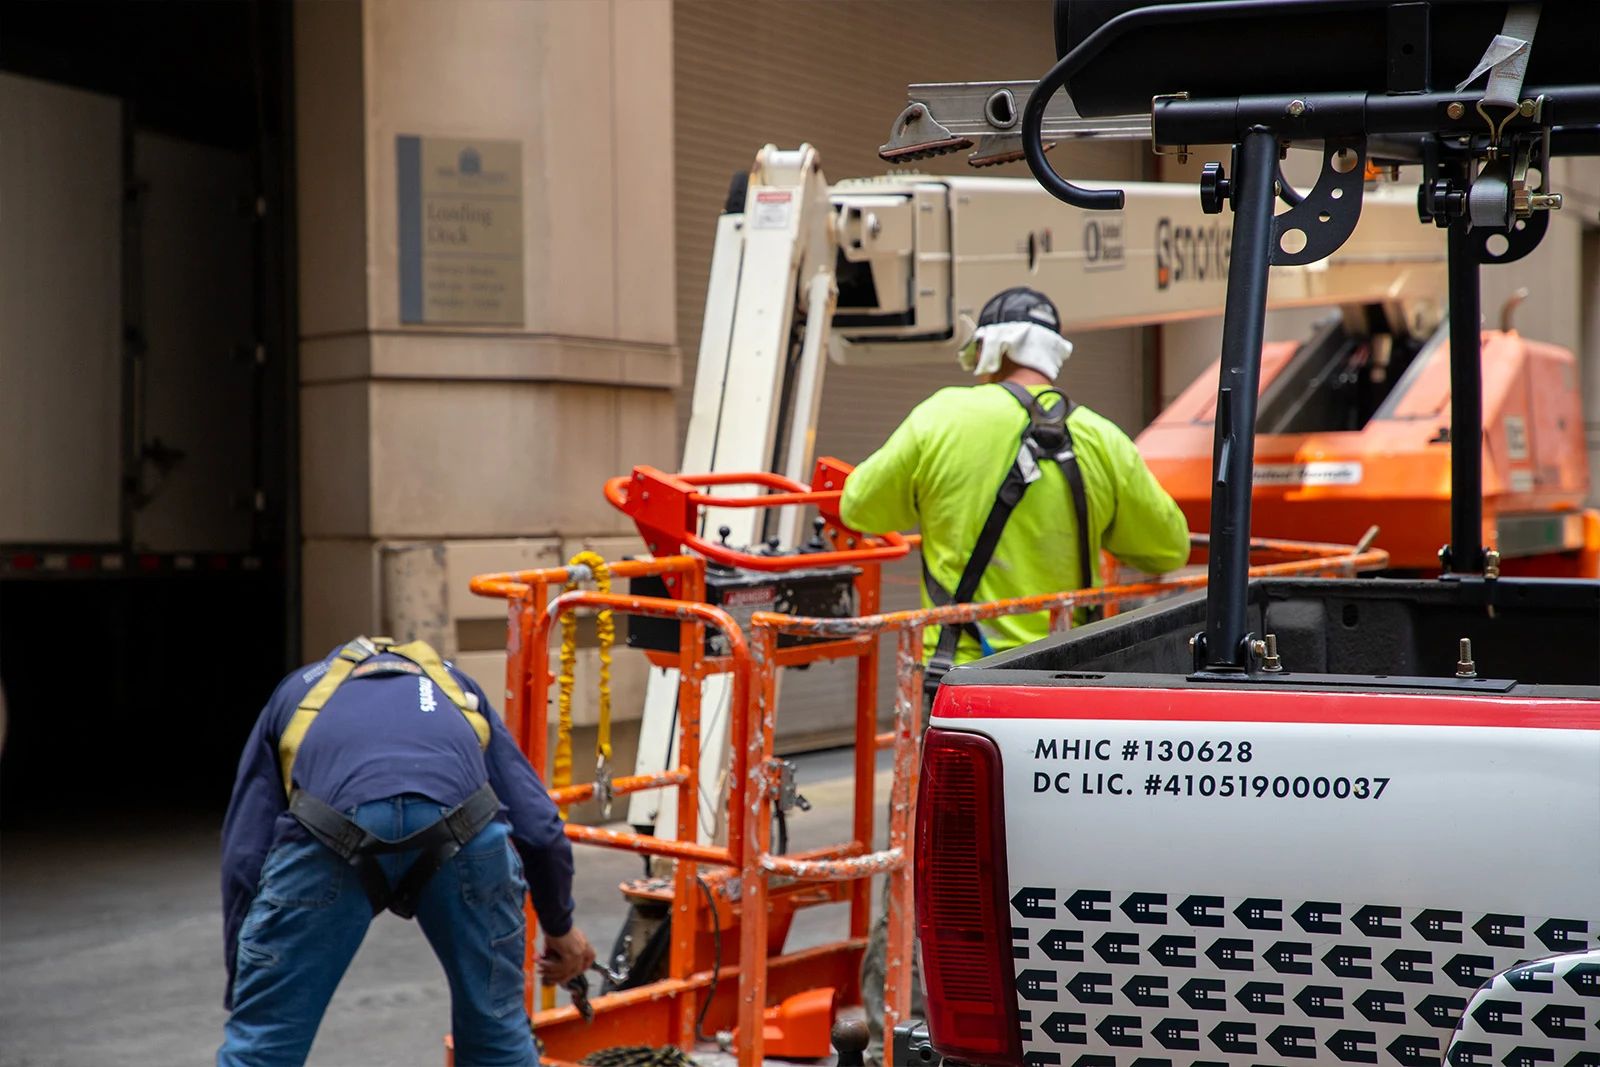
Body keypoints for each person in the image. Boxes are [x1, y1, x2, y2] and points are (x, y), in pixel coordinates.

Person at [840, 286, 1190, 1060]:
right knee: (1056, 863)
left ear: (990, 353)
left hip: (959, 691)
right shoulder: (1098, 437)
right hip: (1063, 696)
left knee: (932, 863)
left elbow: (860, 505)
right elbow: (1166, 547)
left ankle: (906, 1031)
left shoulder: (943, 417)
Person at [219, 635, 594, 1067]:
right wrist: (560, 928)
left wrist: (251, 983)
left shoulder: (296, 691)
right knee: (497, 1039)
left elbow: (246, 854)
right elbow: (538, 826)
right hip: (464, 832)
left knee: (265, 1047)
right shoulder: (457, 687)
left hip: (328, 832)